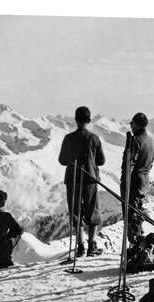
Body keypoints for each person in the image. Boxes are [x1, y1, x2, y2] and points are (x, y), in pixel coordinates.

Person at [58, 106, 105, 257]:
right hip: (90, 179)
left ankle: (80, 246)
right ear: (89, 121)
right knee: (92, 212)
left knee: (76, 212)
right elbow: (101, 161)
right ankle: (92, 245)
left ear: (76, 120)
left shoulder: (68, 138)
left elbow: (62, 160)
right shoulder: (94, 138)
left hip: (73, 179)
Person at [120, 112, 154, 245]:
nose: (130, 125)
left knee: (131, 216)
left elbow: (129, 163)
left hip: (133, 181)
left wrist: (124, 183)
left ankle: (136, 244)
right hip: (145, 180)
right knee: (138, 212)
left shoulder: (136, 141)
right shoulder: (151, 141)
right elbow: (151, 162)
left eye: (131, 123)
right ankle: (140, 243)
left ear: (136, 124)